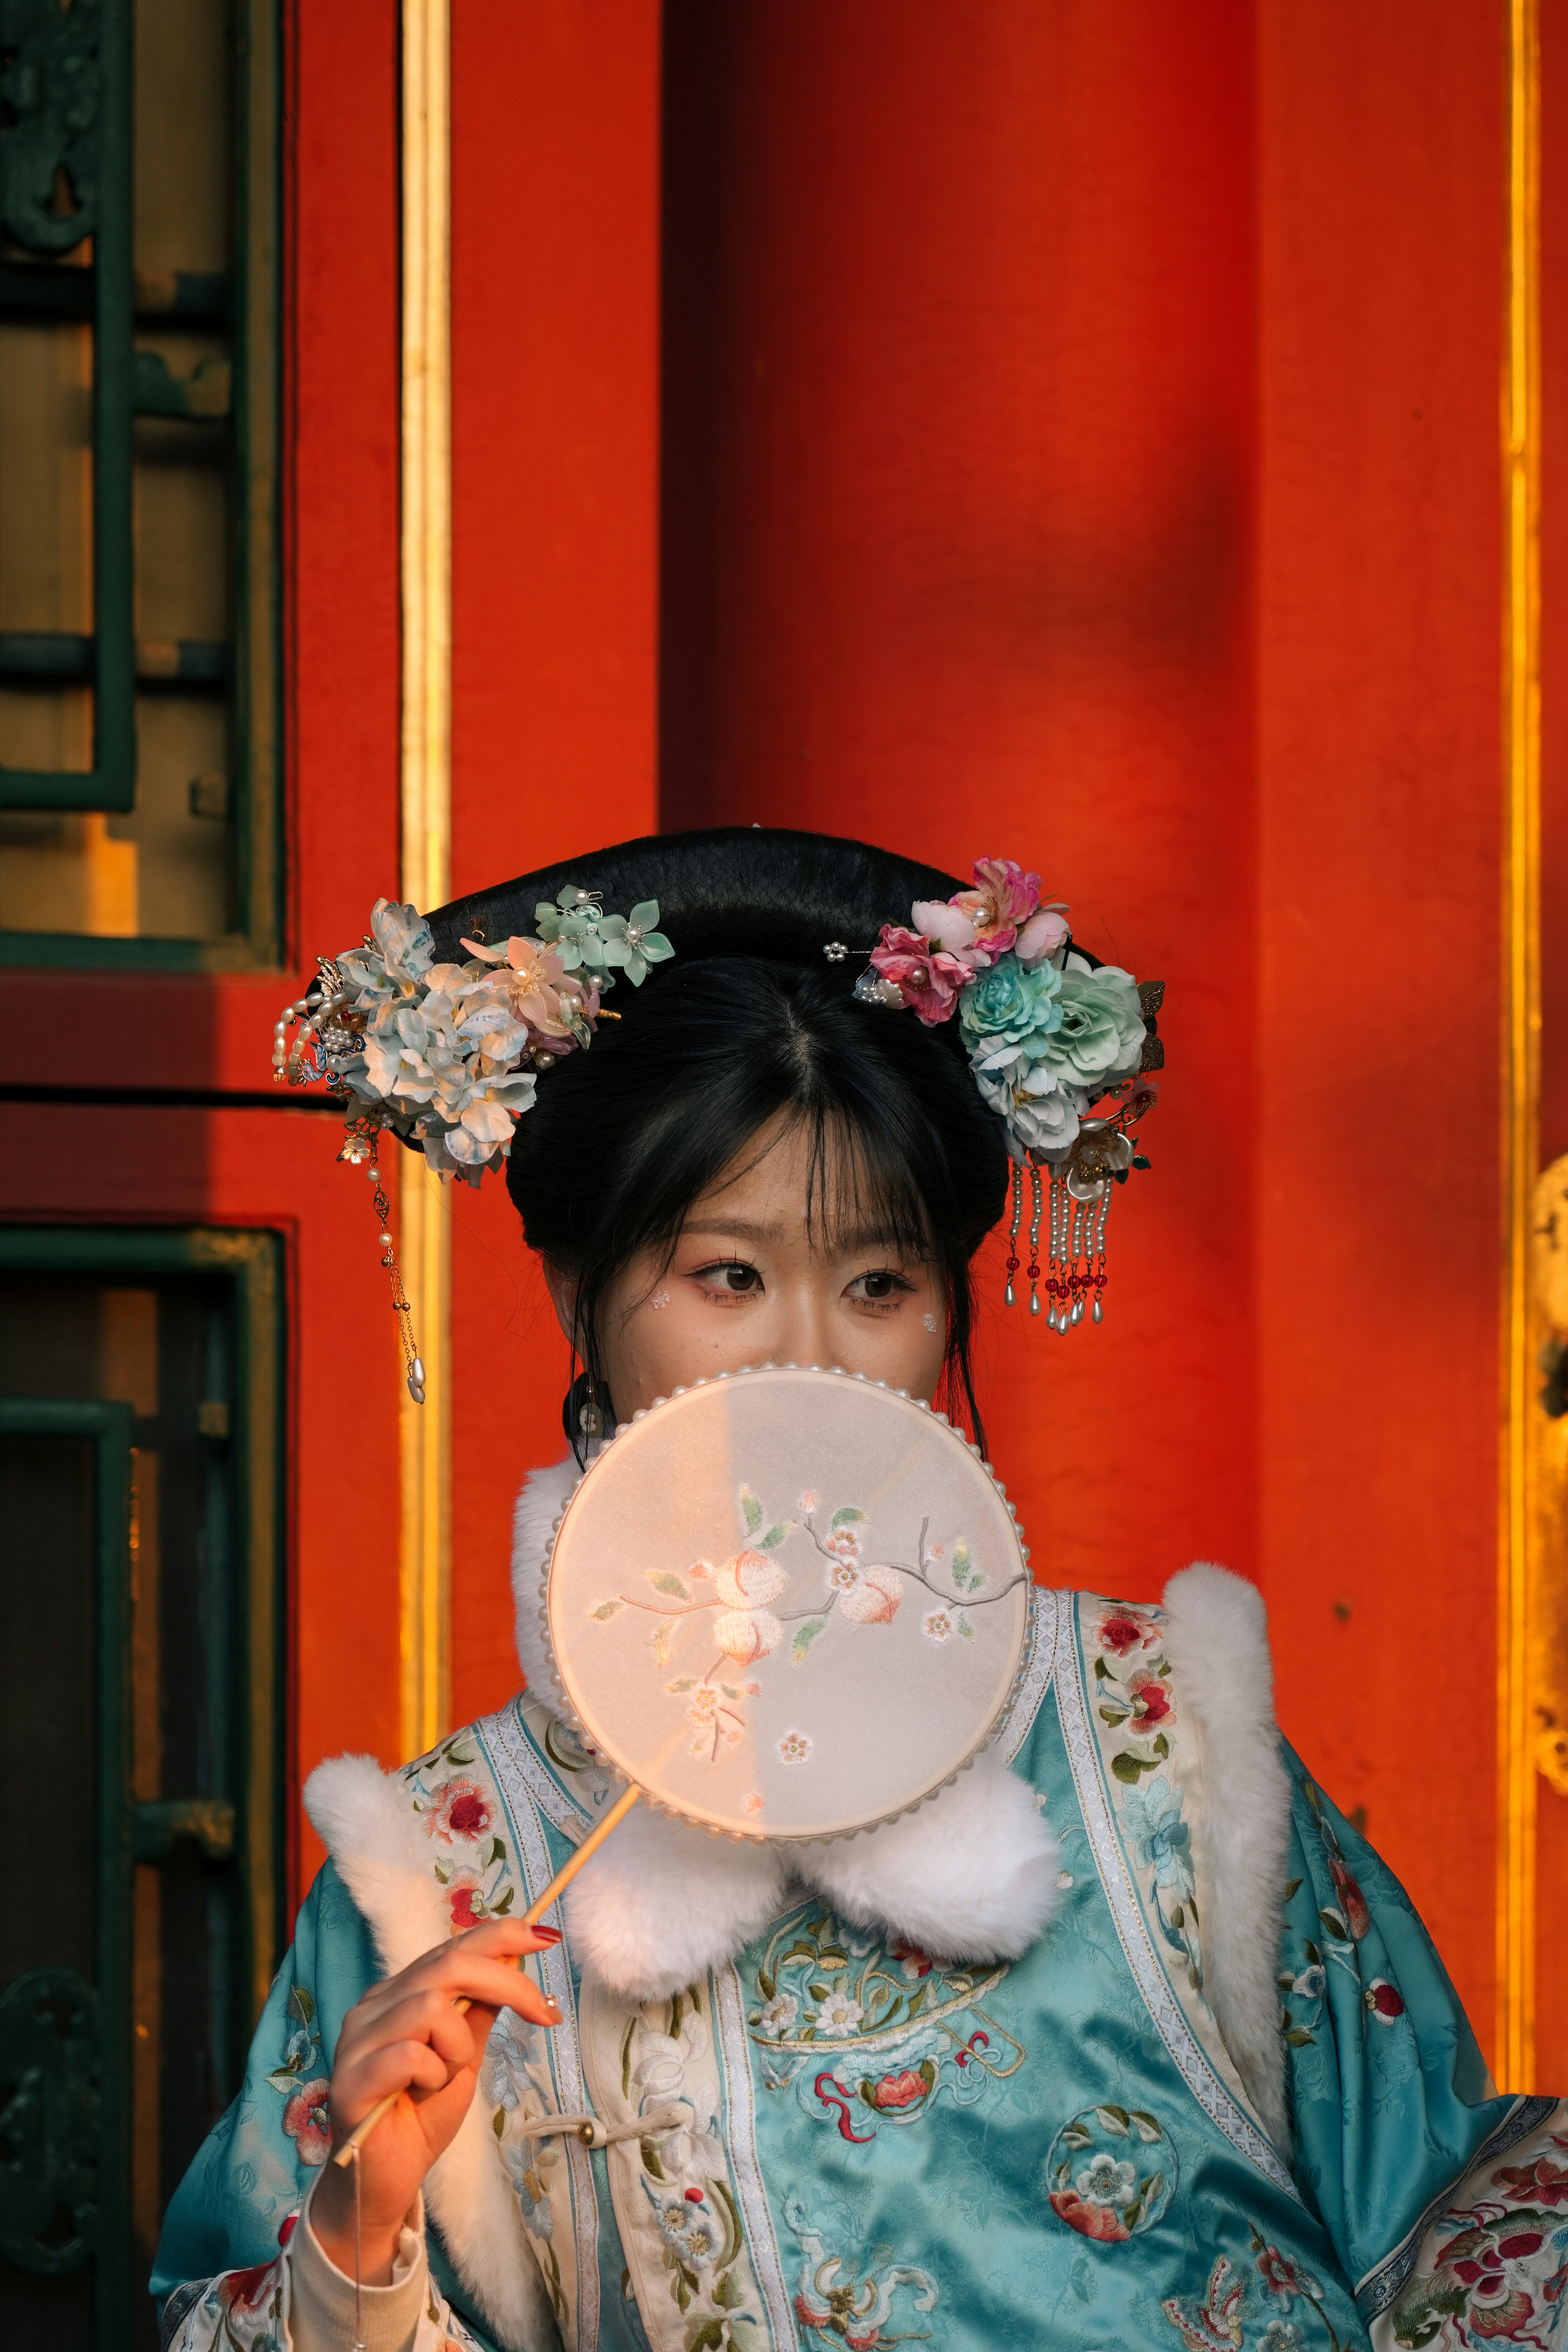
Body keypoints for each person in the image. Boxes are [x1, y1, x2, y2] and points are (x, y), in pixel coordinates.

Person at [155, 829, 1567, 2352]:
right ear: (579, 1295)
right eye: (728, 1278)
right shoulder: (440, 1873)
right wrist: (363, 2233)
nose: (811, 1357)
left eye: (880, 1287)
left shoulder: (1165, 1744)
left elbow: (1444, 2225)